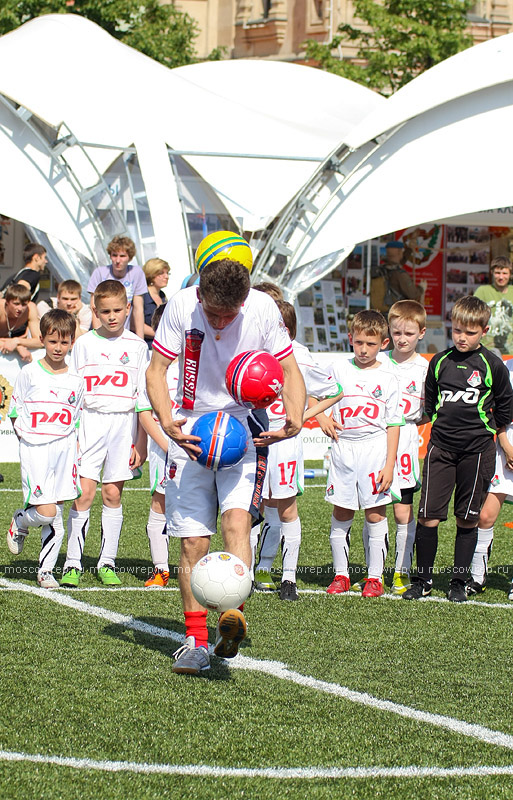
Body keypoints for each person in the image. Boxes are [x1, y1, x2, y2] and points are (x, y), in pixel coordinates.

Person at [145, 258, 305, 675]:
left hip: (244, 429)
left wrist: (295, 415)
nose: (220, 322)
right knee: (192, 543)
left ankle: (231, 618)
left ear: (244, 301)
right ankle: (194, 641)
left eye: (228, 314)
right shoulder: (181, 306)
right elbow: (156, 371)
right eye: (213, 313)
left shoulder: (264, 310)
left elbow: (289, 370)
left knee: (237, 524)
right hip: (190, 427)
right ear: (200, 295)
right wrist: (167, 423)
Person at [403, 295, 513, 602]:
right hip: (441, 449)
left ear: (484, 331)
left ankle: (458, 581)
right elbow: (431, 404)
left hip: (477, 452)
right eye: (458, 331)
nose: (462, 337)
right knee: (428, 517)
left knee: (468, 517)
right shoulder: (439, 362)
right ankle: (422, 580)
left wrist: (494, 436)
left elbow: (505, 409)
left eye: (470, 332)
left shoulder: (493, 366)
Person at [60, 280, 148, 588]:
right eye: (104, 311)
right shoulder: (84, 344)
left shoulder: (138, 347)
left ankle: (106, 561)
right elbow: (72, 391)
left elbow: (143, 398)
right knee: (84, 493)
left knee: (113, 493)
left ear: (127, 309)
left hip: (124, 425)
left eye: (117, 311)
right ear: (94, 311)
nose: (111, 317)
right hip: (90, 422)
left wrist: (142, 440)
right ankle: (73, 562)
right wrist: (72, 432)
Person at [253, 300, 342, 600]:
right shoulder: (248, 352)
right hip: (254, 440)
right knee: (253, 507)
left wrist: (302, 418)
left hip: (285, 444)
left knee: (286, 508)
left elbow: (334, 390)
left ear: (285, 330)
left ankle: (289, 577)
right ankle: (255, 571)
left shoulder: (299, 356)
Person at [323, 309, 403, 598]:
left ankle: (374, 577)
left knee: (374, 514)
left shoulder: (389, 376)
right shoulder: (338, 368)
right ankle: (341, 574)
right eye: (358, 343)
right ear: (350, 339)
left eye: (371, 344)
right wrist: (323, 419)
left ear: (383, 344)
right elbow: (314, 395)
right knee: (341, 511)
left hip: (374, 449)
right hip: (344, 449)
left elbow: (394, 424)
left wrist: (389, 465)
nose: (364, 349)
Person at [353, 300, 428, 595]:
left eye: (409, 333)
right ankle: (374, 572)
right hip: (375, 440)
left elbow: (427, 411)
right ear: (389, 334)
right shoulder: (378, 360)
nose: (403, 339)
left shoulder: (425, 367)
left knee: (402, 511)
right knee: (374, 507)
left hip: (406, 439)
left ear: (420, 334)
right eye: (397, 333)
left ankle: (401, 571)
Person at [6, 310, 84, 588]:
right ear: (42, 340)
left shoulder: (77, 380)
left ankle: (45, 571)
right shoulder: (29, 373)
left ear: (72, 342)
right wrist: (26, 438)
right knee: (46, 511)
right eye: (52, 342)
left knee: (57, 512)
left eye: (64, 343)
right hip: (36, 449)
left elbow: (75, 417)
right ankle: (21, 520)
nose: (58, 348)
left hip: (64, 451)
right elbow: (14, 409)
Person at [138, 304, 178, 587]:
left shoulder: (197, 366)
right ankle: (161, 569)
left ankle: (201, 565)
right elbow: (144, 413)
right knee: (160, 503)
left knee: (201, 506)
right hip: (164, 450)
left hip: (198, 450)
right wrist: (168, 445)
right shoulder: (151, 370)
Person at [468, 356, 513, 598]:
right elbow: (493, 410)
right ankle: (477, 577)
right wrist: (505, 445)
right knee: (485, 516)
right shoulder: (502, 367)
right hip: (504, 446)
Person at [87, 236, 146, 339]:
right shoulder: (100, 273)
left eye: (122, 256)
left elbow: (138, 309)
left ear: (130, 257)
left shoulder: (137, 273)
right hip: (102, 330)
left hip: (123, 332)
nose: (118, 260)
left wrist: (140, 339)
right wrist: (97, 338)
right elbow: (94, 307)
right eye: (114, 255)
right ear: (110, 256)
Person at [370, 240, 425, 315]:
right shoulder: (400, 274)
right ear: (399, 252)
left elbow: (399, 261)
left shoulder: (382, 269)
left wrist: (409, 249)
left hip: (382, 314)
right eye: (401, 251)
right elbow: (413, 294)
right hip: (395, 315)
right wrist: (422, 288)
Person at [473, 256, 513, 355]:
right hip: (486, 348)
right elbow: (472, 315)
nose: (501, 277)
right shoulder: (483, 291)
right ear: (492, 273)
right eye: (497, 273)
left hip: (510, 350)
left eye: (504, 273)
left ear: (510, 274)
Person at [0, 284, 41, 362]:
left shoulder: (30, 309)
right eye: (16, 304)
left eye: (24, 305)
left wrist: (16, 341)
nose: (20, 309)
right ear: (7, 302)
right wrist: (18, 347)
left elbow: (40, 341)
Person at [142, 258, 169, 347]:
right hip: (148, 345)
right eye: (161, 273)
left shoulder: (162, 296)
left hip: (163, 344)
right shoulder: (142, 296)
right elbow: (136, 325)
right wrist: (161, 335)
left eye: (167, 273)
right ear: (151, 275)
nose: (166, 276)